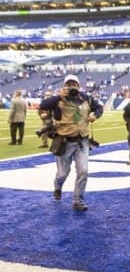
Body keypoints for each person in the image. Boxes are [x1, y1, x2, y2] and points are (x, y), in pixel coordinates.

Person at [39, 75, 103, 211]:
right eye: (69, 84)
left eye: (74, 84)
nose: (72, 87)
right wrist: (58, 97)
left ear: (79, 86)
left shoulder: (86, 98)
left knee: (83, 171)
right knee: (63, 173)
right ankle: (58, 186)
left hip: (82, 141)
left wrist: (95, 115)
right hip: (64, 141)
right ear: (64, 86)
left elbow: (99, 108)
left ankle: (78, 200)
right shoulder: (58, 100)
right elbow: (43, 106)